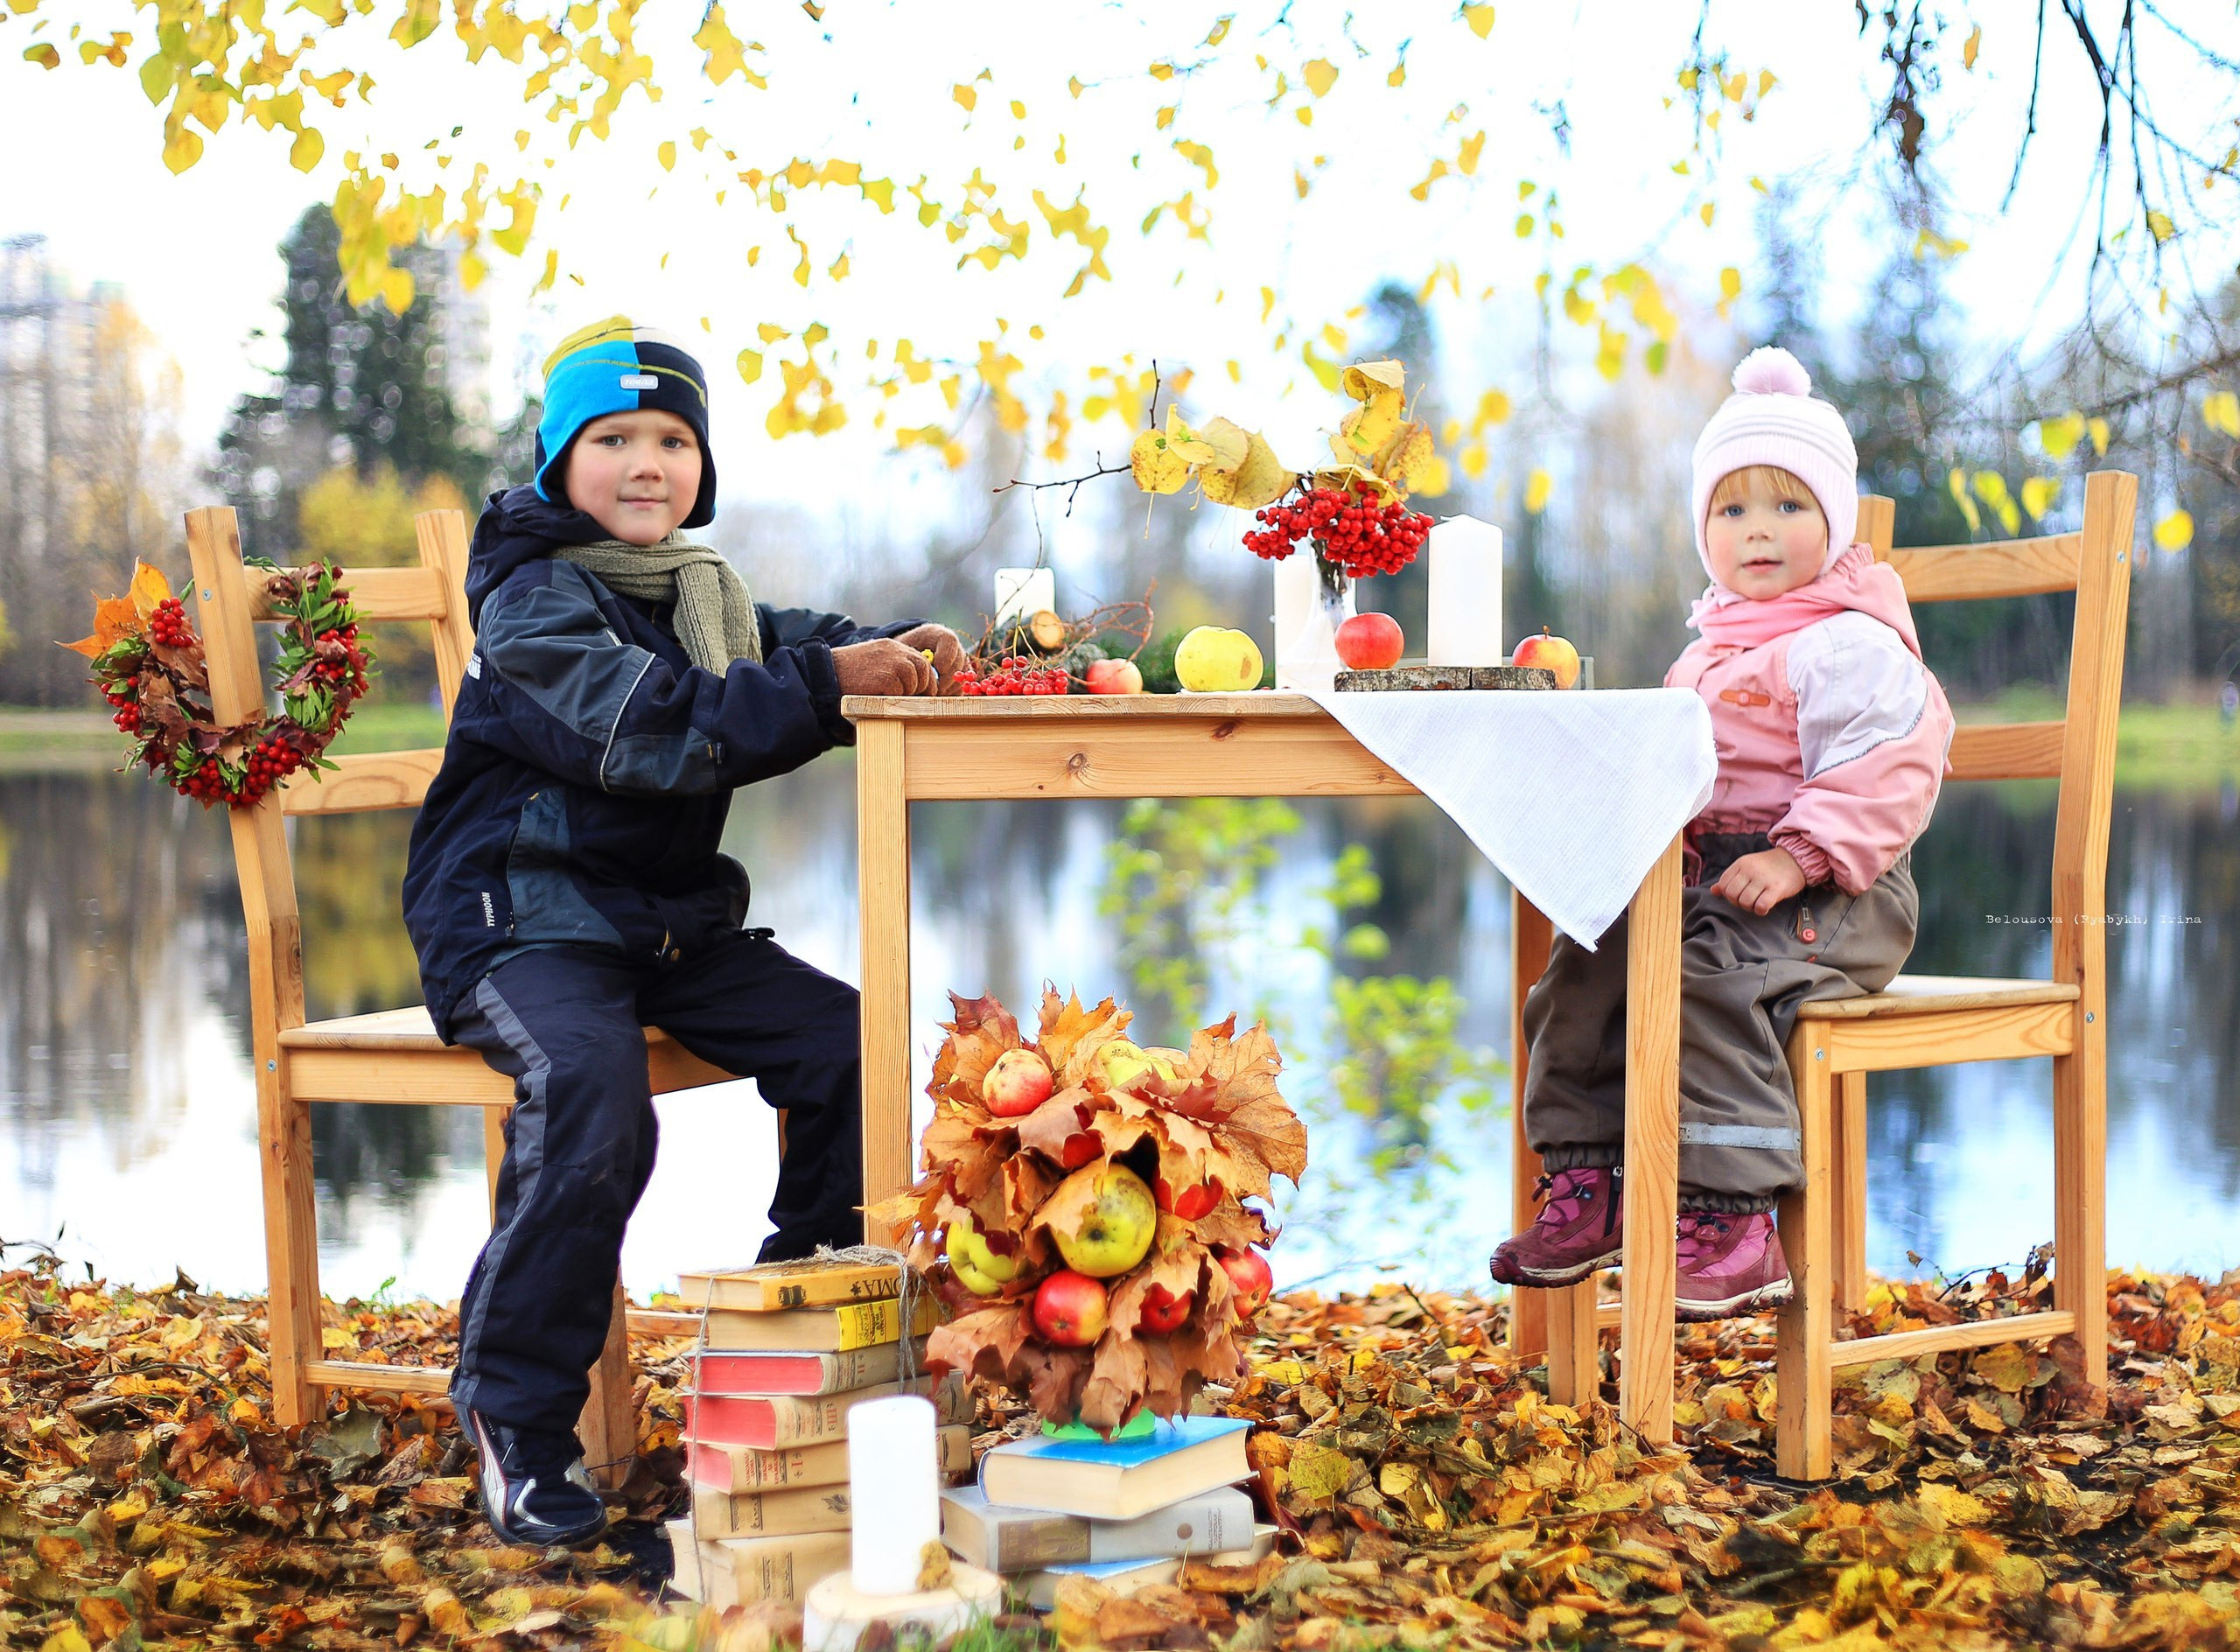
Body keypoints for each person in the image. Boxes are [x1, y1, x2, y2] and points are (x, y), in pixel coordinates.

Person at [401, 318, 965, 1547]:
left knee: (849, 1045)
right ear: (559, 462)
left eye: (672, 438)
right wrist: (829, 687)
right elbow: (653, 731)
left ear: (703, 464)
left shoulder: (699, 593)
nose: (647, 462)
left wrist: (893, 645)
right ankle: (519, 1424)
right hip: (519, 923)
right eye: (613, 439)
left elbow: (795, 640)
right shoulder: (531, 603)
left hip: (655, 927)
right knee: (593, 1099)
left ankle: (796, 1333)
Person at [1489, 346, 1955, 1321]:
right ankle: (1590, 1179)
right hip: (1719, 881)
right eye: (1732, 510)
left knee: (1706, 972)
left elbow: (1894, 767)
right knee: (1591, 951)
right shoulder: (1707, 649)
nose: (1758, 532)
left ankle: (1733, 1216)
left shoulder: (1848, 641)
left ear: (1834, 520)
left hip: (1840, 893)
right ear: (1705, 529)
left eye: (1789, 507)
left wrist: (1797, 855)